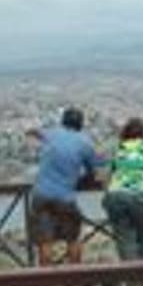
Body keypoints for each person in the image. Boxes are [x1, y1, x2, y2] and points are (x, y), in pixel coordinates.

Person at [30, 107, 102, 265]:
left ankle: (46, 283)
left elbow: (37, 132)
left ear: (63, 122)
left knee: (45, 241)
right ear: (81, 124)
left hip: (40, 194)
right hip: (65, 196)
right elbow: (93, 171)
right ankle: (75, 279)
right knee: (73, 239)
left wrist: (31, 132)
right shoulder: (85, 143)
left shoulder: (52, 134)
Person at [102, 118, 143, 261]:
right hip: (142, 195)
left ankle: (131, 279)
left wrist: (105, 196)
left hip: (116, 195)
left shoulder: (117, 149)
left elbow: (107, 175)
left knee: (125, 241)